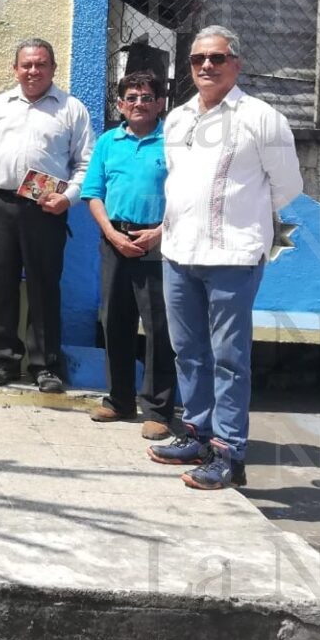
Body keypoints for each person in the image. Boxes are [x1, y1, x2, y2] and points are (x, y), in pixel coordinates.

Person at [148, 26, 302, 491]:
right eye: (197, 60)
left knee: (230, 359)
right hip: (178, 252)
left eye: (217, 58)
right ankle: (196, 434)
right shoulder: (177, 119)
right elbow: (178, 180)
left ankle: (230, 454)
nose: (206, 67)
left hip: (232, 254)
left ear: (236, 63)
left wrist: (245, 221)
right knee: (188, 352)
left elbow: (287, 187)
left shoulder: (262, 118)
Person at [0, 38, 92, 394]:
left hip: (46, 208)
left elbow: (86, 164)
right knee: (2, 283)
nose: (33, 71)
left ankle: (44, 366)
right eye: (27, 65)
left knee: (44, 286)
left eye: (41, 64)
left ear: (53, 68)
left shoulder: (72, 109)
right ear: (15, 68)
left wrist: (69, 199)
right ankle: (3, 360)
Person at [82, 70, 176, 439]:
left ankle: (158, 409)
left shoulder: (174, 142)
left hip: (158, 241)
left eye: (146, 97)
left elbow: (188, 194)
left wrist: (159, 233)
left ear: (160, 103)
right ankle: (119, 400)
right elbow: (93, 192)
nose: (139, 103)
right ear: (120, 105)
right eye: (131, 98)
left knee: (158, 328)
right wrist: (110, 234)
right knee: (115, 321)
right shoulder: (108, 141)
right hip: (114, 240)